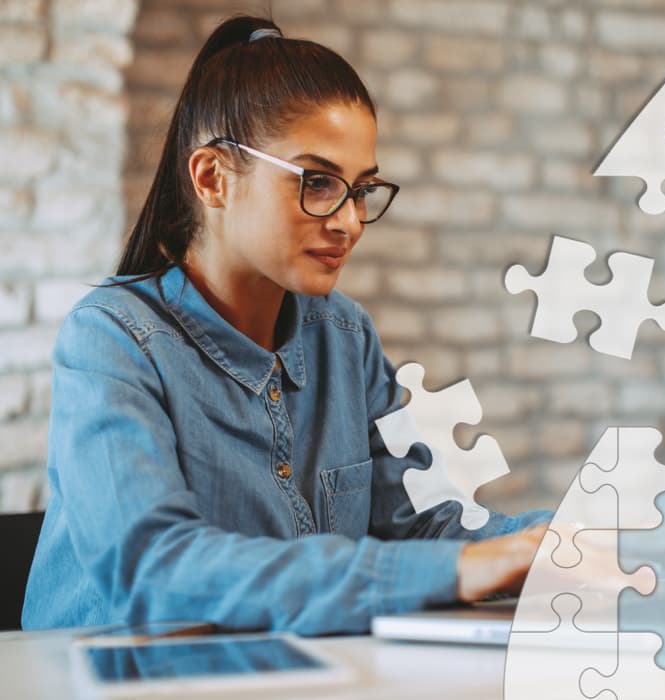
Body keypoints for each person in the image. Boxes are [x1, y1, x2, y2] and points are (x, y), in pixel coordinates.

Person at [21, 15, 551, 635]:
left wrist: (563, 540)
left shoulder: (345, 337)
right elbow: (153, 571)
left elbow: (423, 523)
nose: (349, 221)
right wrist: (460, 568)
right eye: (318, 182)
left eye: (362, 189)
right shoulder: (111, 338)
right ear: (212, 178)